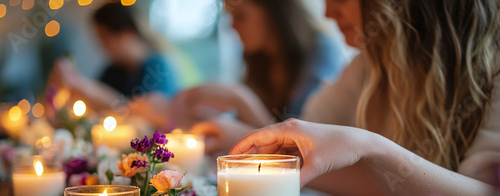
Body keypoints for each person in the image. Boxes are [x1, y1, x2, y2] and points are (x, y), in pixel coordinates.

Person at [229, 0, 500, 196]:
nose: (328, 12)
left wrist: (370, 148)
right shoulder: (369, 65)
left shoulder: (492, 72)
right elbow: (301, 139)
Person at [167, 0, 345, 150]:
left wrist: (240, 99)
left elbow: (297, 145)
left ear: (274, 11)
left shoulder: (321, 53)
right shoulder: (259, 61)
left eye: (241, 16)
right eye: (229, 17)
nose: (232, 26)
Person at [48, 3, 179, 111]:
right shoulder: (114, 70)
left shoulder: (157, 67)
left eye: (105, 37)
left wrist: (81, 84)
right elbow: (93, 106)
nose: (101, 46)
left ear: (127, 33)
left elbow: (136, 112)